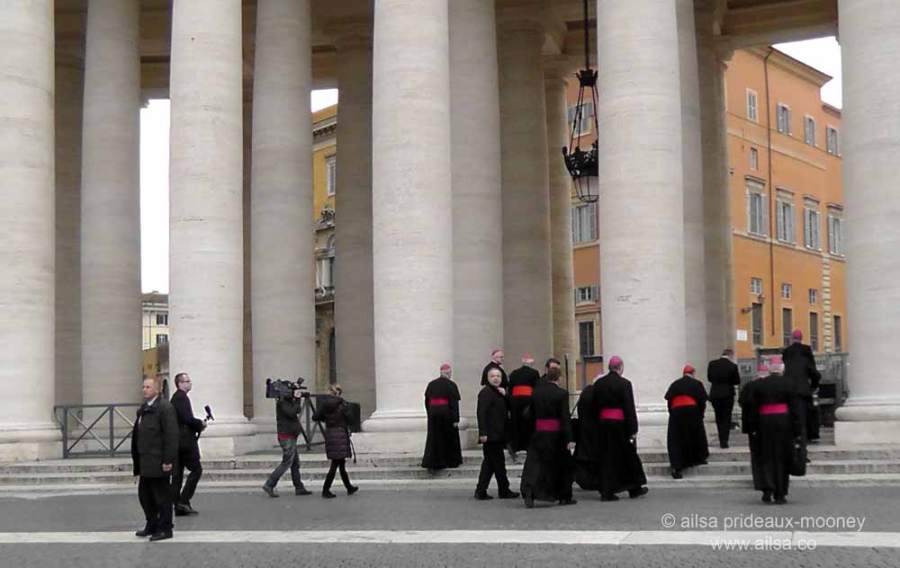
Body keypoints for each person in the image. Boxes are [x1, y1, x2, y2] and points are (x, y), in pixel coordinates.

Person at [745, 355, 802, 504]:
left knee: (766, 456)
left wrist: (752, 427)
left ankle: (767, 490)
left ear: (769, 369)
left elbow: (753, 408)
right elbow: (795, 409)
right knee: (782, 457)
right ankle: (780, 494)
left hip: (764, 423)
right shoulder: (789, 383)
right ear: (782, 369)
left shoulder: (759, 385)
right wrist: (797, 430)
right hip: (784, 423)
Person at [591, 356, 648, 501]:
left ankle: (607, 491)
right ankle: (634, 488)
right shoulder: (625, 384)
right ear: (620, 367)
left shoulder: (599, 384)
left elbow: (594, 406)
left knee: (606, 458)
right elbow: (629, 408)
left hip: (604, 426)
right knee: (628, 457)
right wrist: (633, 428)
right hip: (620, 426)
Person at [520, 367, 576, 508]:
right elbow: (565, 417)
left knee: (535, 465)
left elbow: (530, 414)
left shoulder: (536, 392)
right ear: (559, 378)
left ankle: (530, 492)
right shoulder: (561, 393)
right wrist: (569, 438)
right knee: (561, 466)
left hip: (539, 433)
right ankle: (563, 496)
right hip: (556, 435)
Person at [132, 376, 179, 541]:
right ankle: (151, 524)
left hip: (159, 461)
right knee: (145, 496)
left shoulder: (165, 408)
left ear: (157, 389)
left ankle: (165, 528)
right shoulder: (144, 408)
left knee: (162, 497)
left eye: (148, 387)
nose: (144, 390)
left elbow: (171, 436)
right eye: (143, 387)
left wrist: (168, 460)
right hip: (145, 461)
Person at [474, 368, 518, 500]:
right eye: (493, 376)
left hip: (499, 434)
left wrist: (506, 395)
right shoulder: (486, 393)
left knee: (492, 464)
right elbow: (481, 413)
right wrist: (482, 433)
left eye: (498, 376)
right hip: (490, 435)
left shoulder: (500, 392)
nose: (496, 378)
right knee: (495, 464)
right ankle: (500, 490)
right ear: (488, 378)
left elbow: (511, 407)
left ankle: (484, 490)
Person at [262, 385, 313, 498]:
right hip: (286, 436)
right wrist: (297, 399)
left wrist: (298, 398)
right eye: (291, 391)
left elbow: (297, 410)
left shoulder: (287, 402)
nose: (292, 393)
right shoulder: (282, 403)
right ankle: (269, 484)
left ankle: (299, 487)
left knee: (295, 463)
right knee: (287, 462)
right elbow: (292, 413)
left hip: (290, 435)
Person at [170, 372, 206, 516]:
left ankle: (178, 504)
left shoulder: (177, 397)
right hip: (185, 442)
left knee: (177, 475)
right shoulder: (181, 398)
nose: (190, 383)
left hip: (178, 441)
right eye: (187, 381)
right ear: (180, 384)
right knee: (196, 470)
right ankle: (183, 501)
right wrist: (200, 423)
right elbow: (186, 419)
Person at [313, 384, 359, 498]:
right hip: (341, 433)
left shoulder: (324, 404)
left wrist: (326, 419)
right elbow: (351, 419)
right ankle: (325, 490)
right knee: (336, 464)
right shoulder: (343, 404)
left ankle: (349, 487)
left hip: (331, 433)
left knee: (340, 463)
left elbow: (315, 417)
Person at [664, 364, 710, 479]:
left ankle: (677, 467)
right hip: (692, 411)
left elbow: (669, 401)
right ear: (693, 373)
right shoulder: (697, 383)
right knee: (695, 435)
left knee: (676, 439)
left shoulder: (675, 384)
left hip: (676, 412)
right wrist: (700, 415)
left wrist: (672, 413)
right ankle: (698, 458)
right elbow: (702, 401)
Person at [421, 363, 463, 472]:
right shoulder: (451, 385)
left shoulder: (431, 384)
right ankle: (450, 461)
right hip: (446, 413)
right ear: (448, 373)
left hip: (433, 414)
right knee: (448, 437)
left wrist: (430, 413)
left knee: (434, 438)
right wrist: (456, 419)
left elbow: (427, 401)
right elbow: (454, 403)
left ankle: (433, 461)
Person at [782, 329, 822, 443]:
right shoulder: (806, 351)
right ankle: (806, 436)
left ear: (791, 339)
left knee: (791, 414)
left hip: (788, 389)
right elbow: (814, 373)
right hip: (803, 389)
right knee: (806, 413)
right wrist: (814, 386)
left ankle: (793, 436)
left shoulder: (786, 351)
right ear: (801, 338)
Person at [739, 361, 766, 497]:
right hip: (767, 424)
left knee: (755, 454)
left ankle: (758, 481)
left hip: (752, 425)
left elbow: (741, 402)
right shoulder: (769, 386)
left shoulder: (748, 386)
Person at [507, 354, 540, 462]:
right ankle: (528, 446)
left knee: (516, 425)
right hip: (528, 401)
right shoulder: (534, 373)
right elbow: (536, 388)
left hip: (515, 402)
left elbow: (510, 389)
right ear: (531, 363)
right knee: (528, 425)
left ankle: (516, 446)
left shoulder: (514, 373)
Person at [707, 349, 741, 448]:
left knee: (718, 417)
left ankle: (721, 436)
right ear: (731, 355)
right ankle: (724, 441)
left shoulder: (712, 364)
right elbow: (737, 381)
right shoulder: (732, 366)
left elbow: (709, 378)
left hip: (715, 394)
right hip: (727, 394)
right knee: (726, 417)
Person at [573, 372, 602, 491]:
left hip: (583, 428)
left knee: (584, 457)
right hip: (596, 429)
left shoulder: (586, 392)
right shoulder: (598, 393)